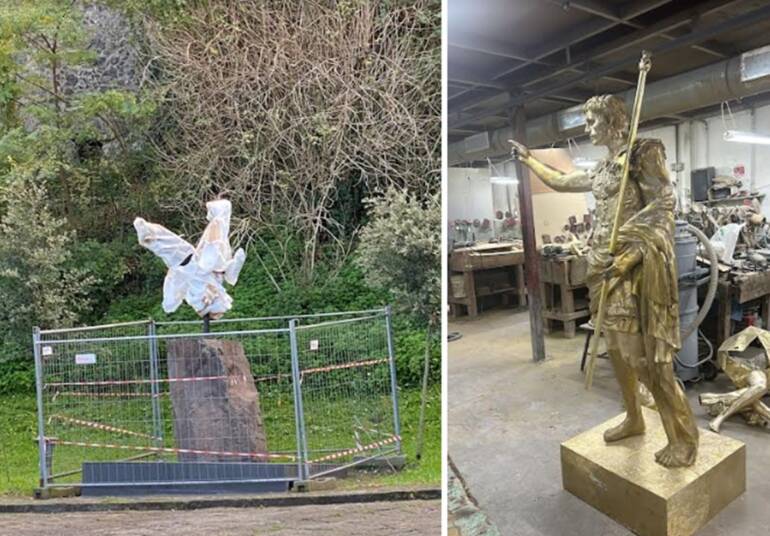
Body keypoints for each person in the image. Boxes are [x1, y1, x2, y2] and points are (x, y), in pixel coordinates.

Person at [510, 94, 698, 468]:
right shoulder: (602, 169)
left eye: (593, 122)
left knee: (645, 361)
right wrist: (530, 160)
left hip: (633, 271)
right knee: (616, 352)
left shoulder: (643, 153)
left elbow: (663, 205)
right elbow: (563, 181)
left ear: (613, 122)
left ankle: (684, 438)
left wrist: (628, 255)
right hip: (601, 267)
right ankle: (633, 417)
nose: (588, 128)